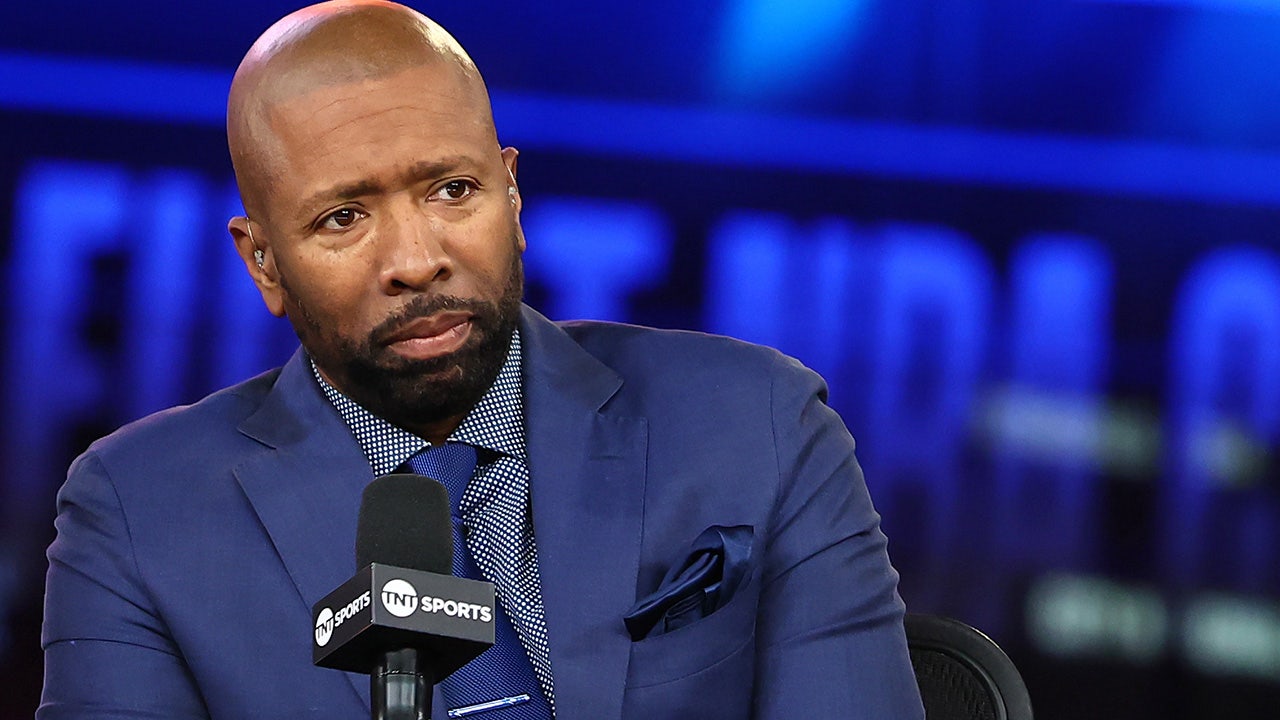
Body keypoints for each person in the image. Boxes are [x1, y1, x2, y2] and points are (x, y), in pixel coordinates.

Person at [39, 2, 924, 718]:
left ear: (513, 192)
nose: (416, 259)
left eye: (452, 190)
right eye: (344, 217)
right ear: (263, 261)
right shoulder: (140, 512)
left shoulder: (757, 425)